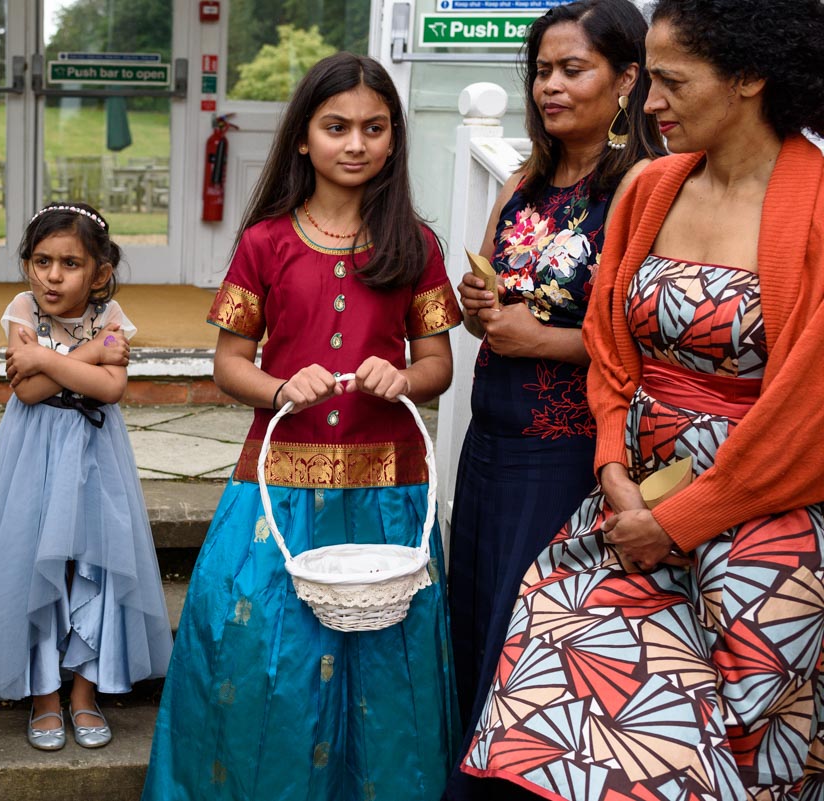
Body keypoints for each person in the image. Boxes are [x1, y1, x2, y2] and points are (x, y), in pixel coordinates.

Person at [461, 0, 824, 797]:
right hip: (628, 508)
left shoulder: (820, 206)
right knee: (549, 704)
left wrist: (681, 518)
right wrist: (615, 468)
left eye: (668, 80)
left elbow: (811, 412)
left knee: (722, 762)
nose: (648, 102)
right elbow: (612, 354)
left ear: (751, 79)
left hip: (766, 521)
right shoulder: (650, 189)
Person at [143, 52, 464, 801]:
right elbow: (229, 364)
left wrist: (405, 378)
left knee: (388, 671)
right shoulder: (265, 243)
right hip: (276, 487)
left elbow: (439, 365)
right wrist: (281, 382)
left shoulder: (417, 245)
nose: (356, 143)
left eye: (374, 128)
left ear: (394, 139)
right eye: (336, 126)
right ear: (302, 139)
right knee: (260, 658)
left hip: (391, 492)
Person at [445, 0, 664, 789]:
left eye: (574, 70)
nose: (550, 87)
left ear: (628, 79)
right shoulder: (525, 178)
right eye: (542, 70)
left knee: (528, 632)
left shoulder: (642, 187)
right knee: (473, 621)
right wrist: (481, 305)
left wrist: (543, 340)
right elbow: (498, 297)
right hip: (490, 439)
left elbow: (646, 341)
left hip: (568, 451)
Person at [0, 201, 172, 751]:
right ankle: (44, 693)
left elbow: (112, 389)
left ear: (100, 272)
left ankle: (84, 694)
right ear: (27, 264)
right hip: (34, 454)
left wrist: (48, 359)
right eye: (42, 260)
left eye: (70, 263)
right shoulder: (23, 308)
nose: (53, 275)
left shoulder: (113, 316)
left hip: (97, 455)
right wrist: (90, 355)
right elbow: (28, 390)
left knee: (91, 564)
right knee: (35, 561)